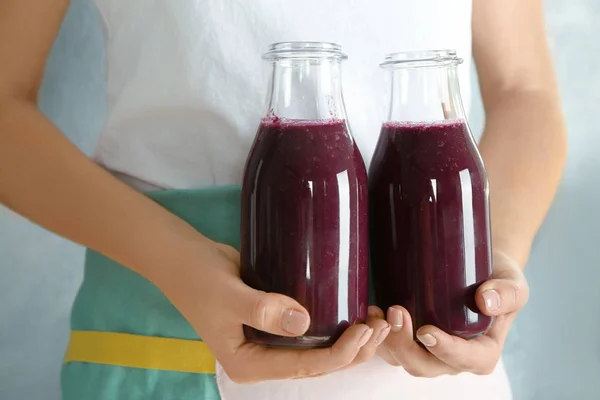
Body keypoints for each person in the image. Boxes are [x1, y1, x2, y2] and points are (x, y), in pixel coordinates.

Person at [0, 0, 567, 399]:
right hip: (173, 344)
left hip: (428, 368)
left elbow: (526, 91)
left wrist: (491, 268)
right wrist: (176, 261)